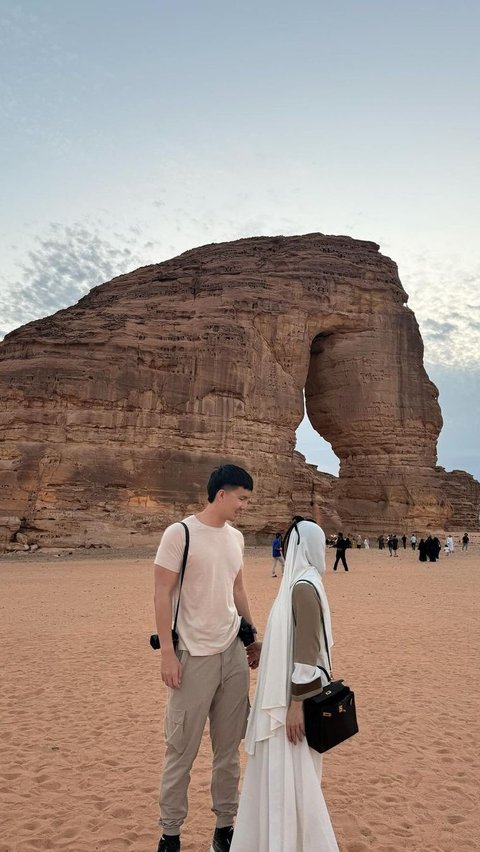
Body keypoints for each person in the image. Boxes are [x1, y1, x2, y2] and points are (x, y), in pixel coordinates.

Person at [153, 464, 259, 852]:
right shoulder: (179, 534)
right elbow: (161, 593)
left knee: (228, 750)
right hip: (191, 656)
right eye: (242, 498)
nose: (245, 506)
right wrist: (167, 653)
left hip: (231, 654)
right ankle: (170, 833)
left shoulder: (236, 538)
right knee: (181, 749)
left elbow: (239, 589)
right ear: (221, 495)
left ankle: (225, 827)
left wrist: (253, 636)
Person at [230, 518, 339, 852]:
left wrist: (294, 706)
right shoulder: (298, 583)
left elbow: (307, 652)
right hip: (285, 695)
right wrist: (268, 648)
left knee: (293, 773)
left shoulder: (303, 586)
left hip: (291, 701)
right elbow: (293, 637)